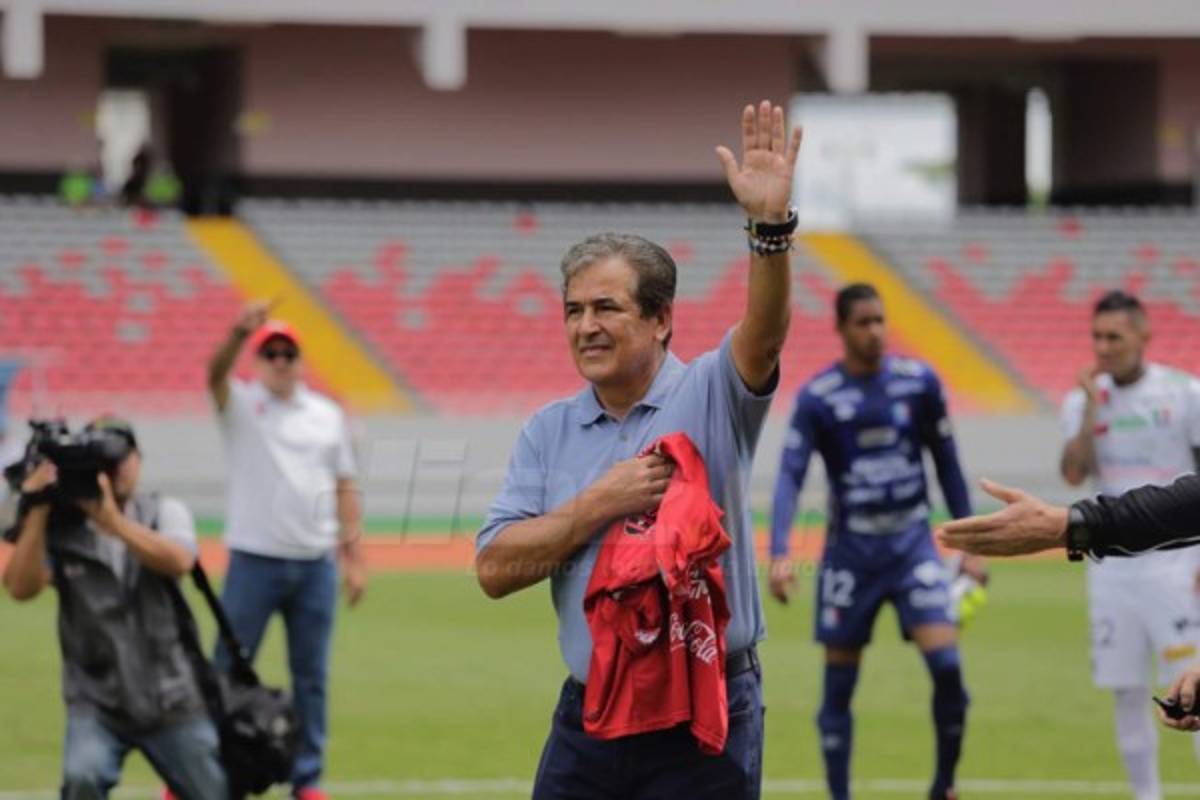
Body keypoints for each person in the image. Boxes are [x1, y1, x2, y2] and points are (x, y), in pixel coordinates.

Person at [475, 100, 801, 799]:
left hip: (703, 712)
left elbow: (765, 334)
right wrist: (600, 503)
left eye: (606, 308)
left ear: (660, 320)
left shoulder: (715, 392)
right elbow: (497, 570)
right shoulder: (547, 431)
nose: (585, 326)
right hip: (590, 716)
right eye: (573, 310)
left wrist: (769, 230)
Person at [767, 283, 983, 800]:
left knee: (949, 670)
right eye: (863, 322)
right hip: (850, 557)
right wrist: (779, 551)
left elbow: (947, 464)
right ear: (840, 329)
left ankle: (943, 785)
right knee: (839, 685)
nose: (875, 331)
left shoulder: (918, 383)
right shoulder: (819, 397)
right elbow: (790, 474)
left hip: (913, 548)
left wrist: (971, 541)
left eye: (880, 320)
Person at [1, 417, 228, 799]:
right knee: (82, 777)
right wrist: (37, 509)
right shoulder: (63, 526)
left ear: (139, 458)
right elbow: (21, 588)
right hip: (97, 698)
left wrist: (113, 523)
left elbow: (179, 561)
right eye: (106, 459)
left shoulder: (163, 511)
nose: (117, 469)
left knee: (213, 791)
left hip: (170, 693)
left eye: (123, 457)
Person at [206, 305, 367, 800]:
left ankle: (307, 779)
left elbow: (344, 485)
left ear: (300, 360)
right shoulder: (242, 404)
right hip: (254, 559)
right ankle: (202, 772)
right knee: (226, 671)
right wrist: (237, 332)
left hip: (313, 563)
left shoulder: (326, 415)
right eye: (269, 353)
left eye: (287, 353)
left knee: (311, 678)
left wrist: (353, 555)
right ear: (256, 361)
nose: (279, 360)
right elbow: (214, 373)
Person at [1056, 290, 1200, 799]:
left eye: (1114, 336)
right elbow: (1074, 473)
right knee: (1127, 692)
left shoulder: (1184, 394)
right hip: (1111, 567)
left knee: (1192, 687)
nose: (1103, 347)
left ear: (1143, 335)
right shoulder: (1081, 399)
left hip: (1177, 565)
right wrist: (1091, 410)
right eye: (1096, 337)